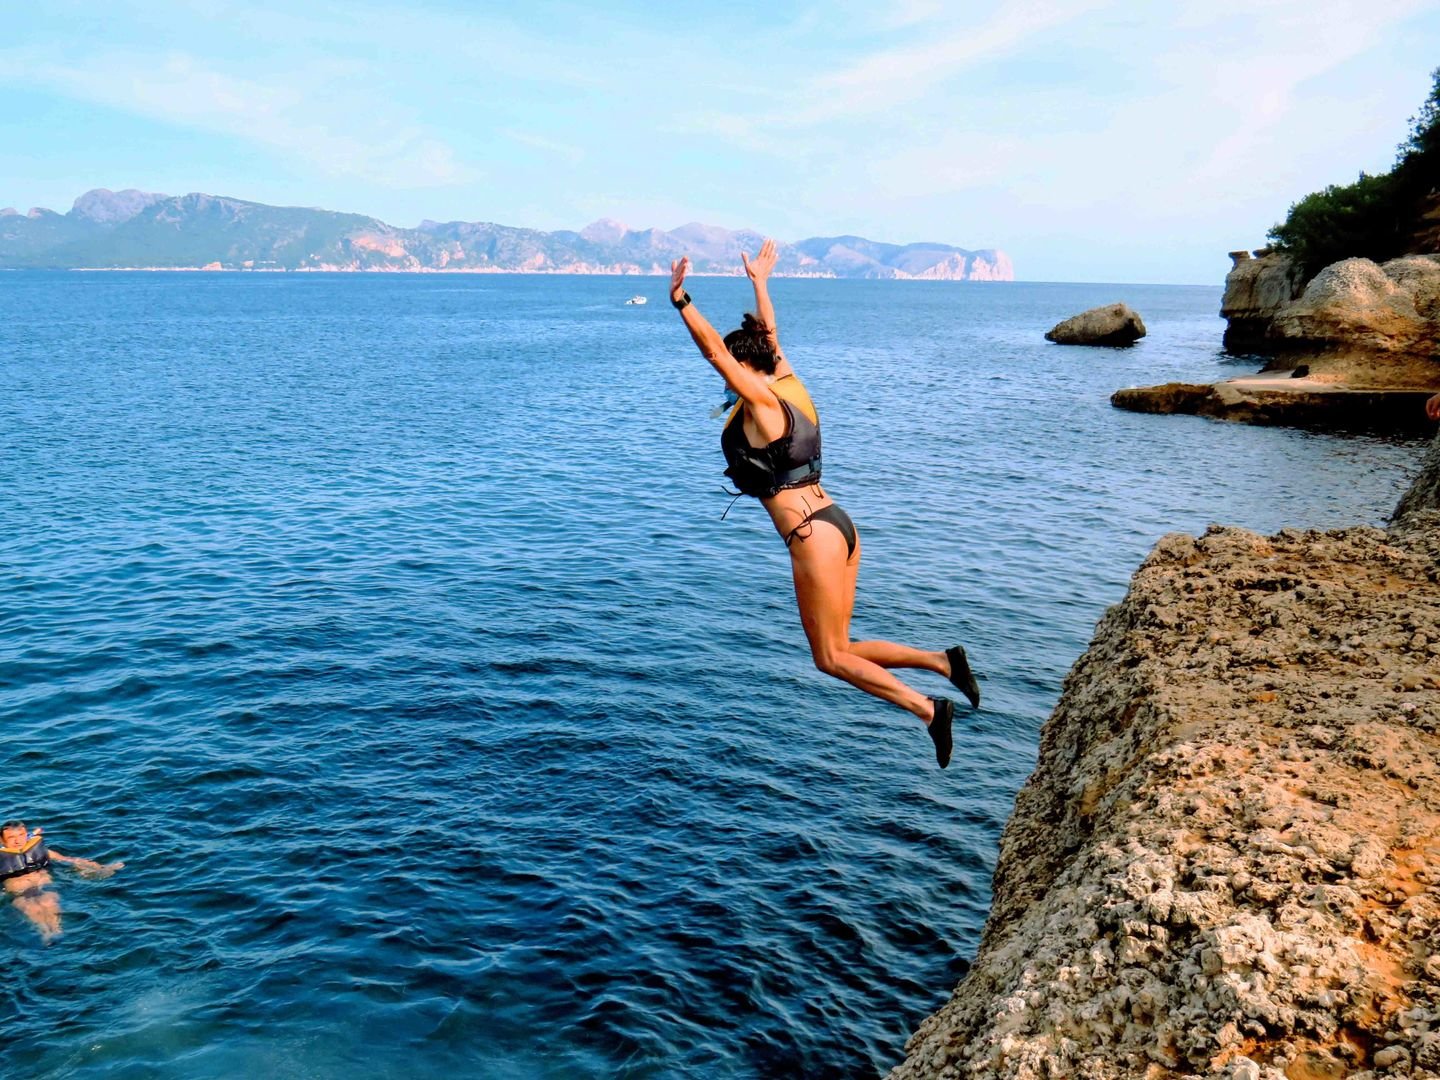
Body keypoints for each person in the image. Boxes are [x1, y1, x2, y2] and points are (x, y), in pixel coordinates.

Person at [668, 239, 982, 769]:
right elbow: (769, 334)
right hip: (839, 525)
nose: (725, 380)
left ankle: (929, 710)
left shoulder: (762, 402)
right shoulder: (789, 383)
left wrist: (681, 301)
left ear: (745, 366)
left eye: (733, 371)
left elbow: (715, 353)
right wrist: (760, 284)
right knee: (842, 646)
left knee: (829, 657)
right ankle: (942, 662)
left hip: (811, 537)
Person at [1, 820, 123, 942]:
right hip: (19, 893)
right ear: (2, 840)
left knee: (48, 901)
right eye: (11, 837)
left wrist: (101, 868)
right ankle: (45, 933)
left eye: (21, 835)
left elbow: (69, 860)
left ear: (26, 834)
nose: (18, 841)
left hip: (43, 886)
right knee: (30, 907)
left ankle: (57, 930)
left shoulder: (41, 850)